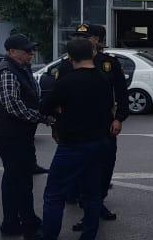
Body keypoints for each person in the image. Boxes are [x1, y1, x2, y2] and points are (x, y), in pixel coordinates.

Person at [22, 37, 114, 240]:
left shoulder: (66, 82)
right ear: (92, 54)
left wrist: (60, 112)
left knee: (54, 195)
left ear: (70, 58)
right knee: (92, 195)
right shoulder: (103, 79)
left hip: (73, 144)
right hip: (99, 143)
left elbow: (45, 107)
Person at [54, 23, 128, 227]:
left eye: (85, 37)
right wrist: (57, 126)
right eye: (77, 36)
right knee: (80, 171)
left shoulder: (109, 64)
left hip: (105, 126)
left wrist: (119, 118)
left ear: (96, 40)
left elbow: (121, 93)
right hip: (75, 129)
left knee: (105, 168)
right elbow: (57, 98)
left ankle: (97, 204)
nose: (80, 40)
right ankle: (87, 212)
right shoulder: (68, 64)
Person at [0, 34, 53, 239]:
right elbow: (13, 106)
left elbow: (33, 96)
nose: (31, 53)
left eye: (31, 50)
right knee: (20, 179)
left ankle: (12, 223)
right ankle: (28, 224)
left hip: (19, 133)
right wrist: (43, 118)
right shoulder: (7, 72)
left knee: (15, 177)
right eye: (26, 51)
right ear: (12, 52)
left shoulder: (22, 68)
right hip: (9, 134)